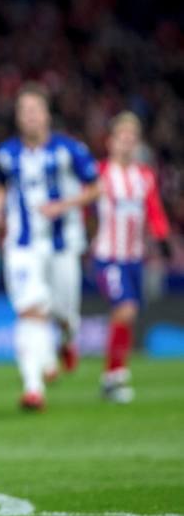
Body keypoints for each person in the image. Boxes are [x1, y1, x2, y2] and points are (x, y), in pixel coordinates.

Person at [0, 83, 100, 411]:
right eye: (24, 112)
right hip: (22, 246)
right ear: (19, 118)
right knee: (30, 310)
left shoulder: (70, 149)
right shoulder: (6, 154)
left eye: (36, 111)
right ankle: (33, 387)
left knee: (64, 314)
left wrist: (63, 205)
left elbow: (95, 187)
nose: (31, 117)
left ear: (47, 115)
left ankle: (66, 339)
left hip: (63, 245)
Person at [92, 111, 172, 403]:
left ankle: (112, 375)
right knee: (124, 309)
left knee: (128, 315)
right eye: (121, 137)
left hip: (135, 258)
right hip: (107, 256)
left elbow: (153, 210)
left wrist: (162, 238)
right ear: (110, 141)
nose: (126, 143)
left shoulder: (145, 176)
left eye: (131, 137)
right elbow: (83, 207)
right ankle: (116, 376)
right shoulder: (99, 173)